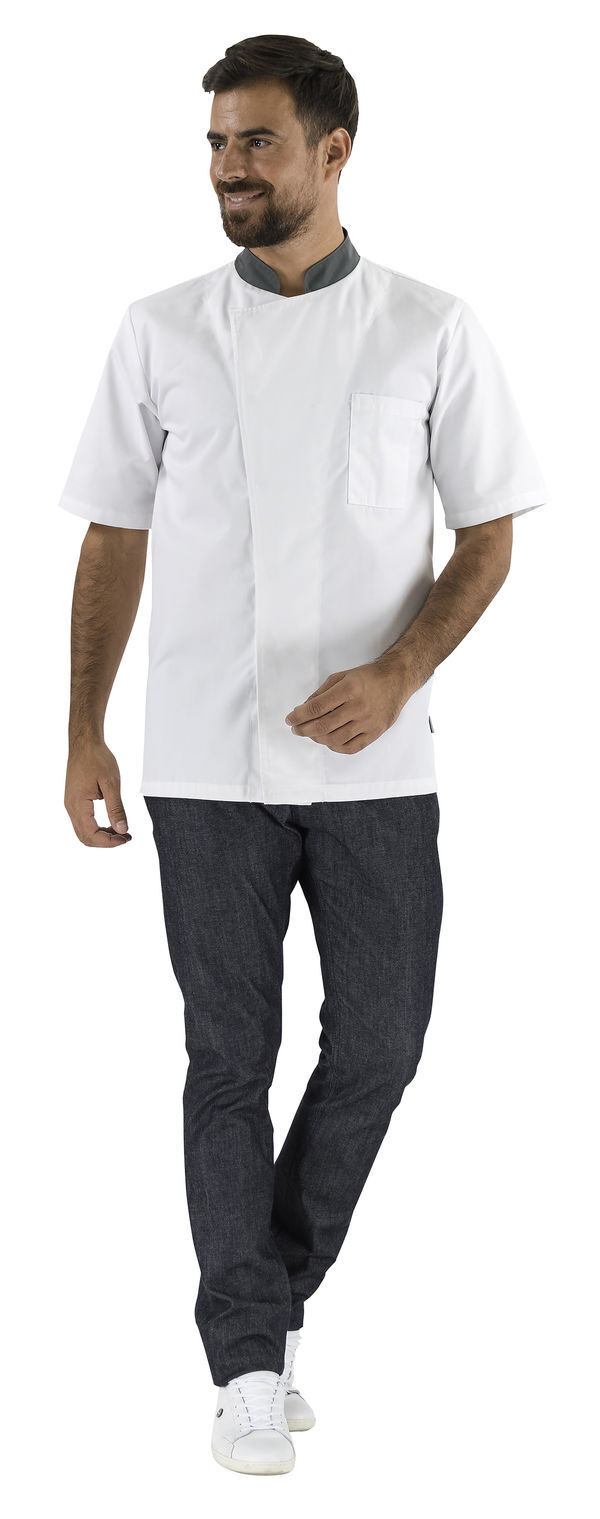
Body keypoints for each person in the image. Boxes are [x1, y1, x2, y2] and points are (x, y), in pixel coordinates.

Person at [60, 34, 547, 1477]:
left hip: (376, 768)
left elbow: (488, 537)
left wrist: (400, 672)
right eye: (217, 143)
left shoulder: (429, 329)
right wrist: (81, 727)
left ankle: (264, 1300)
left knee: (382, 1046)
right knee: (230, 1057)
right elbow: (113, 535)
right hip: (202, 758)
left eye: (257, 142)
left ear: (335, 151)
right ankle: (249, 1366)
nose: (230, 168)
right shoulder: (158, 330)